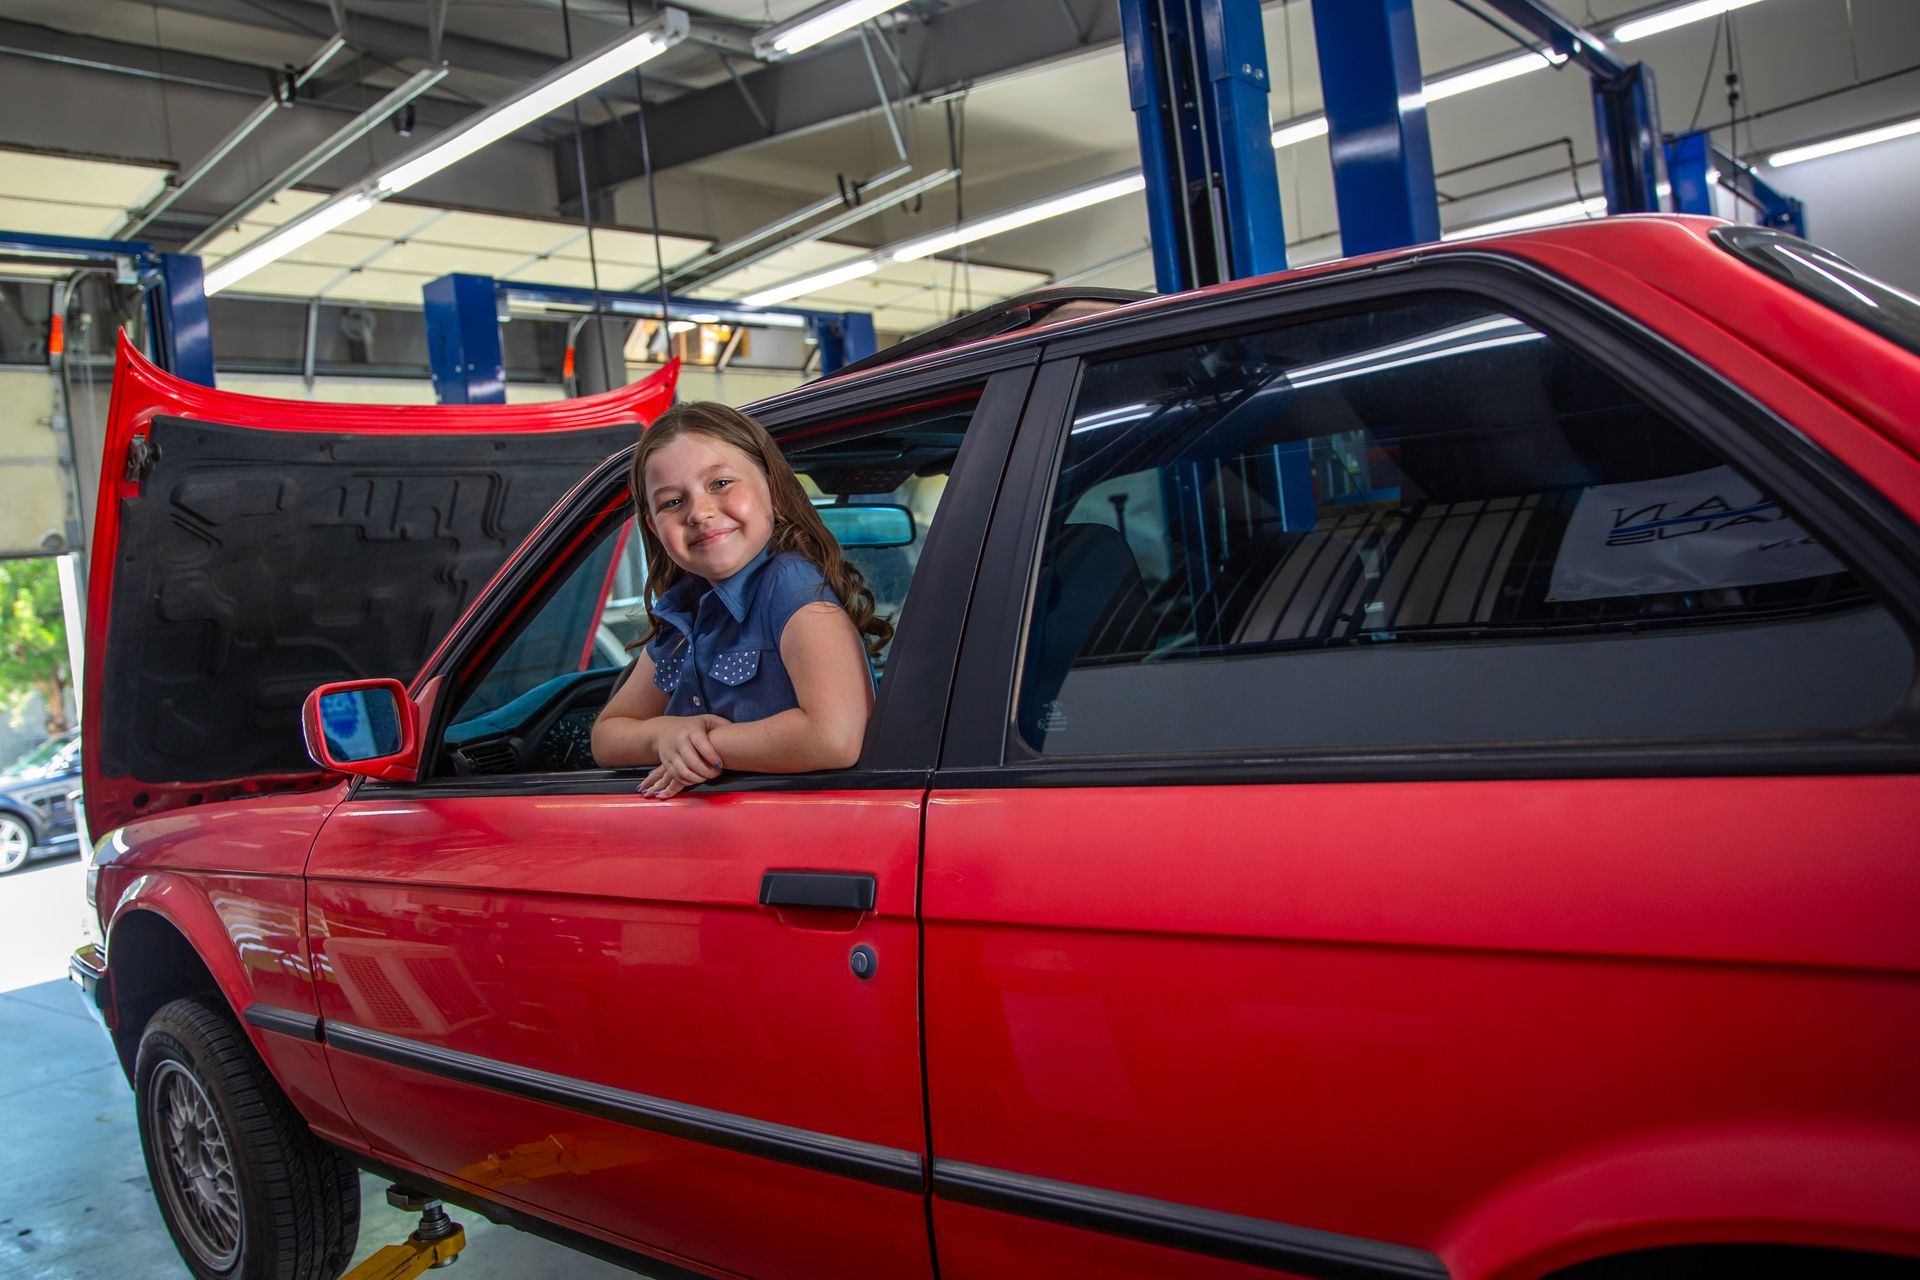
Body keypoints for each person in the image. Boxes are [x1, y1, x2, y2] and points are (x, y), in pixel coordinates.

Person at [592, 401, 890, 797]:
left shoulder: (792, 589)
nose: (699, 512)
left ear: (774, 492)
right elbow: (606, 736)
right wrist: (666, 734)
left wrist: (707, 747)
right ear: (654, 527)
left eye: (720, 484)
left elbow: (835, 736)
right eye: (672, 502)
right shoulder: (684, 613)